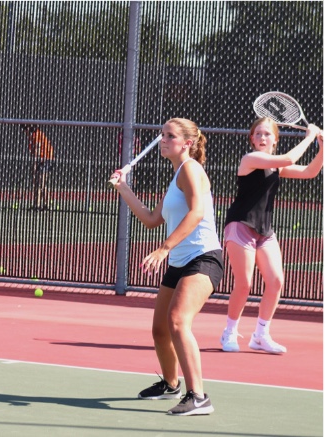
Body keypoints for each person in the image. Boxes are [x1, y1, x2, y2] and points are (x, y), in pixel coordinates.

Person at [110, 118, 223, 416]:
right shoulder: (176, 177)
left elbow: (198, 212)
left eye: (170, 136)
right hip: (180, 260)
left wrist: (164, 248)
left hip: (203, 257)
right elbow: (150, 219)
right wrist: (123, 188)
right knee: (160, 330)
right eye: (162, 135)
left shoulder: (191, 169)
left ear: (186, 143)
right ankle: (171, 384)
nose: (163, 140)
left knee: (177, 322)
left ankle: (198, 396)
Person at [220, 118, 322, 354]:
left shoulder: (275, 165)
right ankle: (229, 332)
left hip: (264, 229)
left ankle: (260, 335)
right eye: (258, 134)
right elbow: (289, 159)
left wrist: (322, 148)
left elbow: (309, 172)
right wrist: (309, 136)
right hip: (240, 224)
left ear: (275, 139)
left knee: (276, 281)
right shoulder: (250, 159)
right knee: (244, 284)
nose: (262, 138)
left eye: (267, 134)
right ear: (252, 139)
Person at [21, 125, 54, 210]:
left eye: (25, 129)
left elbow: (37, 150)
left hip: (44, 160)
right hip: (45, 160)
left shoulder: (36, 136)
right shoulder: (34, 136)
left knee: (39, 184)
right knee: (41, 184)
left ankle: (38, 205)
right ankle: (45, 204)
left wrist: (35, 164)